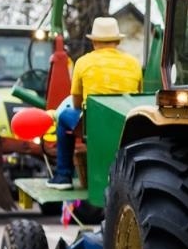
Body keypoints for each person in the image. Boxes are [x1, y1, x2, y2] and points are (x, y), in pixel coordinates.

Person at [48, 16, 143, 189]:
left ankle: (63, 177)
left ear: (94, 42)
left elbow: (76, 103)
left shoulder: (83, 62)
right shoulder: (134, 63)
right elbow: (138, 95)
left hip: (94, 125)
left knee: (62, 117)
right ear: (117, 41)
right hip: (127, 124)